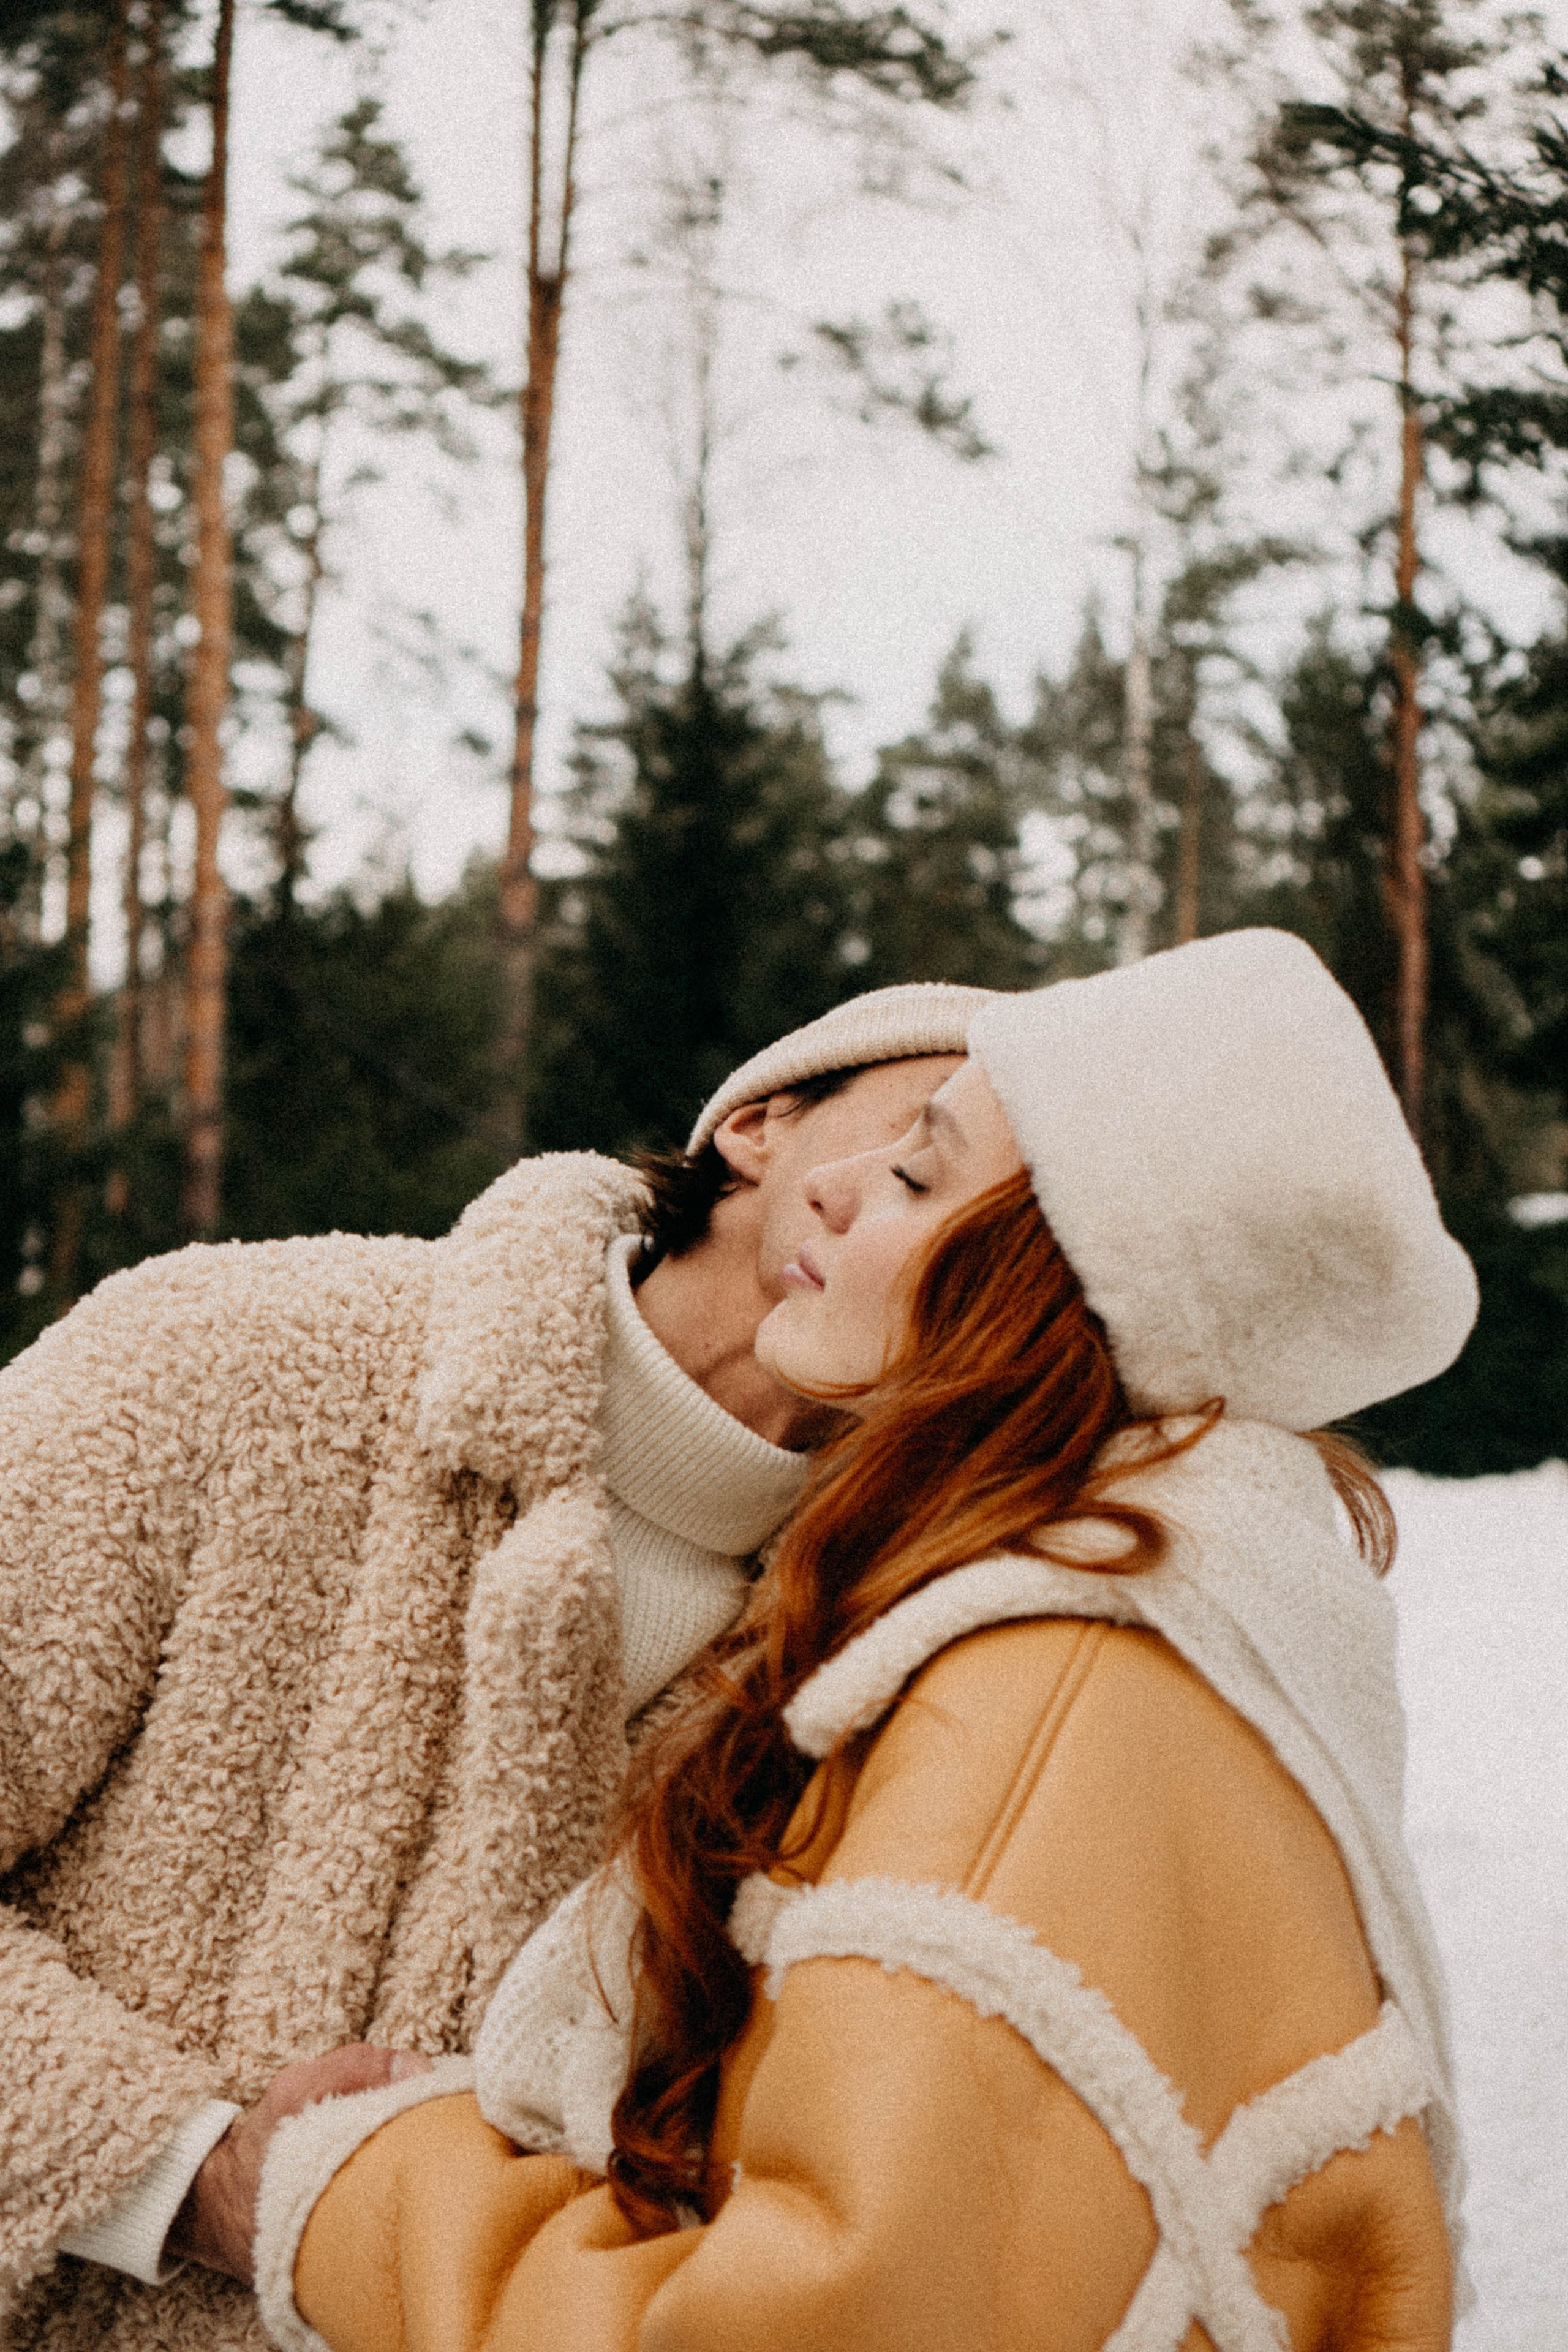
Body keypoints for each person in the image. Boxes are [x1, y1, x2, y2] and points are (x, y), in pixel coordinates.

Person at [250, 930, 1477, 2352]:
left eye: (913, 1171)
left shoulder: (1053, 1695)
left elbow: (821, 2324)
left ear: (1049, 1288)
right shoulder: (1132, 1616)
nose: (830, 1186)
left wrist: (347, 2185)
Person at [0, 980, 992, 2351]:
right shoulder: (222, 1361)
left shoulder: (893, 1667)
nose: (921, 1225)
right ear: (760, 1125)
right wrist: (183, 2175)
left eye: (1005, 1228)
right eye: (915, 1143)